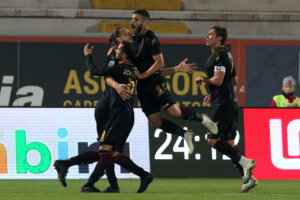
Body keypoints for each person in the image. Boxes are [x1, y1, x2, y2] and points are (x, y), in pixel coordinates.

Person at [54, 41, 153, 193]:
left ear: (124, 54)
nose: (116, 50)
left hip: (118, 113)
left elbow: (95, 71)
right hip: (127, 113)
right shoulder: (134, 69)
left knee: (105, 150)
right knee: (112, 153)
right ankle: (143, 175)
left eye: (119, 49)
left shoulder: (118, 67)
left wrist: (88, 55)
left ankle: (113, 186)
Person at [131, 9, 218, 155]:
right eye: (132, 19)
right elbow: (157, 68)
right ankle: (185, 134)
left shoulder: (150, 38)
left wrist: (142, 75)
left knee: (174, 112)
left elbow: (159, 63)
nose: (132, 22)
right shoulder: (134, 40)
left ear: (145, 22)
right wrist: (176, 69)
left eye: (136, 19)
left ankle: (203, 119)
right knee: (155, 121)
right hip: (142, 87)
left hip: (155, 83)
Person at [195, 26, 257, 193]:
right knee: (229, 143)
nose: (207, 36)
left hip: (225, 103)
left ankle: (245, 162)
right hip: (230, 101)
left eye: (211, 34)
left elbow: (218, 79)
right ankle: (249, 179)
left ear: (220, 38)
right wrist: (213, 95)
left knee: (211, 139)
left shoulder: (220, 55)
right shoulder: (226, 54)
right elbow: (234, 80)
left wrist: (204, 79)